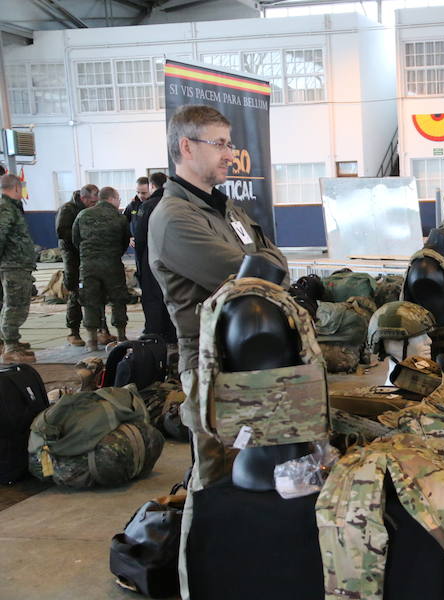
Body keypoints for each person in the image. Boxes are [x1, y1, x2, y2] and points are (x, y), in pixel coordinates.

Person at [148, 104, 287, 600]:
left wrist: (266, 264)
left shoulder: (225, 209)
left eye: (230, 142)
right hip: (212, 372)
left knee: (255, 486)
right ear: (187, 147)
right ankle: (201, 586)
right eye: (220, 144)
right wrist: (265, 265)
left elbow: (275, 260)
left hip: (249, 367)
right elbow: (251, 279)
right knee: (216, 489)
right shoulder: (174, 218)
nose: (231, 154)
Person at [72, 186, 130, 350]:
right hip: (112, 265)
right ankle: (121, 336)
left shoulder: (83, 215)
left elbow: (75, 239)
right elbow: (124, 242)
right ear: (112, 198)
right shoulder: (119, 218)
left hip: (88, 266)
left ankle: (91, 340)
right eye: (118, 199)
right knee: (118, 300)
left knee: (89, 301)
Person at [132, 171, 176, 343]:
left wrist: (140, 261)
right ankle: (172, 333)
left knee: (152, 296)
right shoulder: (176, 204)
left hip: (152, 256)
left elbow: (140, 237)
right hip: (174, 258)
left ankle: (154, 333)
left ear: (152, 186)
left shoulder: (148, 206)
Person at [55, 185, 99, 346]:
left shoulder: (92, 210)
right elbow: (62, 232)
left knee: (95, 290)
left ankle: (101, 329)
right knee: (74, 290)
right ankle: (73, 331)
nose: (95, 204)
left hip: (88, 254)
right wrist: (82, 238)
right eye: (92, 201)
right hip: (72, 255)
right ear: (84, 198)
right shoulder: (68, 209)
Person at [0, 174, 37, 363]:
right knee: (15, 306)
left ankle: (12, 341)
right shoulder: (6, 208)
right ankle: (10, 347)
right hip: (13, 265)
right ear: (16, 188)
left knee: (17, 304)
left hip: (17, 264)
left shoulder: (10, 207)